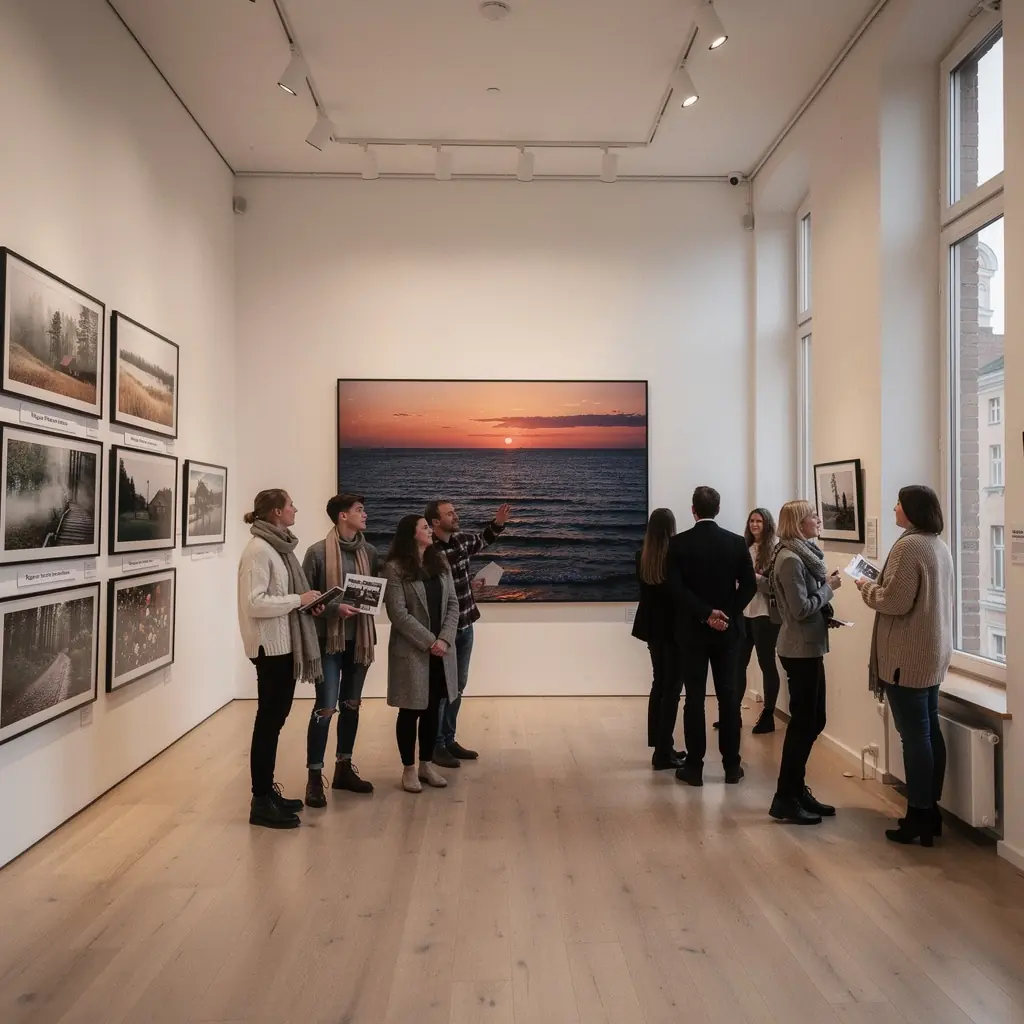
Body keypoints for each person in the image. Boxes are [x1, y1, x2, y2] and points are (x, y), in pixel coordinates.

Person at [856, 485, 953, 847]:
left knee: (914, 737)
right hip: (932, 653)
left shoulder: (910, 545)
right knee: (930, 732)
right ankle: (931, 810)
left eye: (898, 503)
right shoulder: (937, 544)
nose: (894, 508)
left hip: (906, 658)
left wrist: (865, 587)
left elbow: (894, 601)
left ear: (911, 510)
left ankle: (918, 814)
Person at [237, 489, 322, 829]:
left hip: (281, 645)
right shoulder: (259, 550)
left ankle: (266, 793)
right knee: (268, 723)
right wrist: (296, 599)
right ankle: (260, 801)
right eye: (290, 505)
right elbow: (254, 603)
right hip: (269, 649)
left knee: (274, 721)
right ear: (275, 512)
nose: (295, 509)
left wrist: (303, 601)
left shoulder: (276, 547)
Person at [667, 486, 756, 787]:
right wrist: (725, 615)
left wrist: (705, 614)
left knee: (694, 699)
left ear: (693, 510)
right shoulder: (735, 543)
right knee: (728, 698)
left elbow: (676, 590)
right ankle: (732, 766)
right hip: (729, 633)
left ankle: (694, 767)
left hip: (692, 632)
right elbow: (749, 587)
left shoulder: (678, 544)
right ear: (717, 509)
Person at [302, 493, 380, 808]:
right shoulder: (317, 553)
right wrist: (336, 607)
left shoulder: (370, 552)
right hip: (328, 643)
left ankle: (343, 768)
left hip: (359, 640)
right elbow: (306, 599)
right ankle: (313, 778)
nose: (365, 514)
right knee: (325, 708)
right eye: (360, 510)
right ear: (342, 516)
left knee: (351, 705)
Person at [768, 500, 841, 825]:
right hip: (798, 650)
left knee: (814, 720)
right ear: (799, 524)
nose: (818, 520)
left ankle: (796, 790)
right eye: (813, 516)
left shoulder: (799, 555)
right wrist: (829, 590)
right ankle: (785, 796)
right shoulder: (789, 560)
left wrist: (823, 603)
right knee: (803, 724)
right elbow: (799, 609)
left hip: (808, 647)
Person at [425, 499, 510, 768]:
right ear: (435, 522)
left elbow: (482, 541)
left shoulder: (460, 541)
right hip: (443, 631)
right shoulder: (428, 552)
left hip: (466, 623)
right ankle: (435, 745)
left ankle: (449, 739)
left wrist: (497, 523)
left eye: (455, 512)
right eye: (450, 513)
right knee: (441, 689)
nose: (456, 516)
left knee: (459, 686)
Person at [384, 515, 460, 793]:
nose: (430, 530)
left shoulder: (439, 563)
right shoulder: (394, 568)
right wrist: (431, 641)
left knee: (432, 709)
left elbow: (453, 603)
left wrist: (445, 639)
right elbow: (398, 614)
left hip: (441, 650)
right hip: (414, 651)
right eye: (425, 527)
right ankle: (408, 770)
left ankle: (426, 764)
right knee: (411, 710)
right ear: (411, 534)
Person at [632, 508, 684, 770]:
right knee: (672, 688)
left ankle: (662, 745)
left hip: (651, 627)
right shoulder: (674, 556)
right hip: (673, 629)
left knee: (660, 683)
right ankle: (664, 751)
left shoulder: (642, 555)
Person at [741, 508, 782, 734]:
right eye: (752, 521)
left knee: (767, 663)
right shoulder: (745, 547)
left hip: (765, 614)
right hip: (745, 611)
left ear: (767, 524)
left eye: (758, 521)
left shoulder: (775, 549)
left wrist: (755, 578)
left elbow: (774, 583)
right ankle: (733, 712)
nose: (754, 525)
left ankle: (768, 714)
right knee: (739, 663)